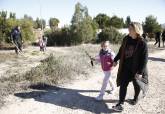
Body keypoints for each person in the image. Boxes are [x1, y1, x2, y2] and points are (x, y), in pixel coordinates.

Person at [112, 22, 148, 112]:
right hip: (126, 67)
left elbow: (144, 59)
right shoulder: (126, 39)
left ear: (136, 30)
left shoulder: (142, 43)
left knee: (137, 85)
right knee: (123, 84)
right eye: (129, 28)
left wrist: (140, 72)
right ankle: (120, 103)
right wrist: (115, 60)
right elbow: (121, 51)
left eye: (131, 29)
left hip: (137, 69)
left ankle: (135, 99)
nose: (129, 30)